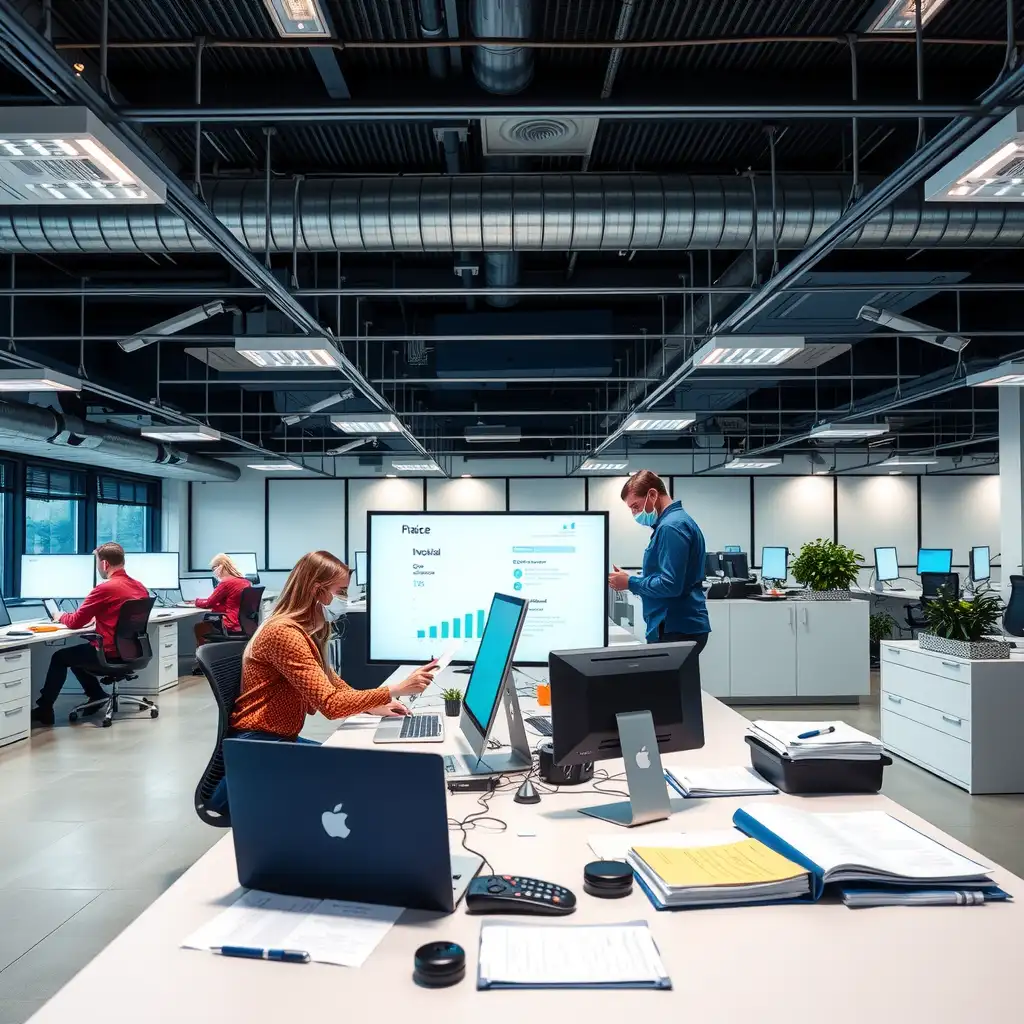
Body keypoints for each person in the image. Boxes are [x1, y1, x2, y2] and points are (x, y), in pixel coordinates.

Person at [229, 549, 436, 742]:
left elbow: (332, 682)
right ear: (316, 590)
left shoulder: (304, 630)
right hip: (259, 744)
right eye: (341, 591)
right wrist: (396, 689)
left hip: (276, 739)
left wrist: (373, 705)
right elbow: (331, 704)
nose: (344, 599)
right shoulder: (284, 633)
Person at [31, 542, 150, 726]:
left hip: (110, 653)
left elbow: (75, 622)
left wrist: (60, 615)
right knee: (80, 653)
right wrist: (100, 619)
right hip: (134, 650)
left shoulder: (104, 589)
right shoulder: (139, 586)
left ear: (104, 564)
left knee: (60, 657)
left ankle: (45, 710)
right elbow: (123, 614)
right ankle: (96, 694)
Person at [608, 470, 711, 655]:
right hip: (679, 626)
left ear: (653, 495)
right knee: (679, 684)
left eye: (635, 506)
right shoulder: (675, 522)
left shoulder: (671, 527)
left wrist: (630, 583)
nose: (634, 514)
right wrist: (630, 579)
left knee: (669, 684)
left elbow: (670, 584)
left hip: (675, 628)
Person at [191, 553, 250, 646]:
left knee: (199, 628)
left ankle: (204, 657)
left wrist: (196, 601)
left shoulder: (225, 583)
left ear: (220, 567)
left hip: (229, 623)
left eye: (213, 568)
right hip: (243, 623)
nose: (213, 571)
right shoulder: (245, 582)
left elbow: (208, 603)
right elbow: (234, 602)